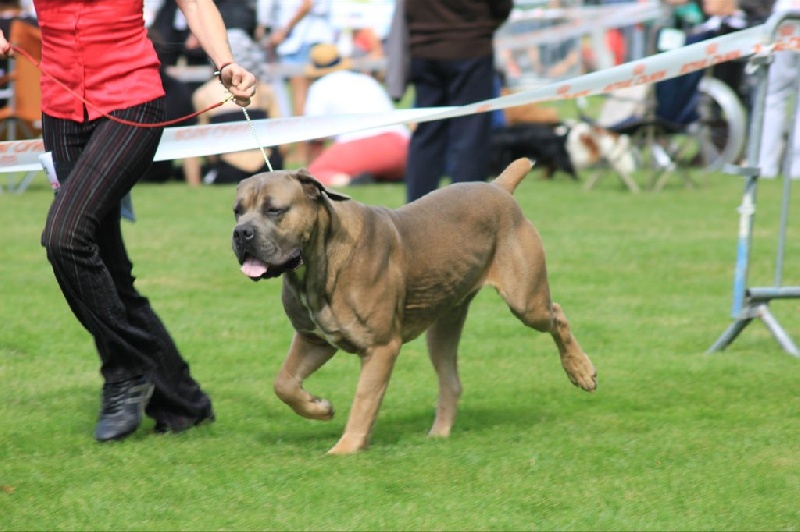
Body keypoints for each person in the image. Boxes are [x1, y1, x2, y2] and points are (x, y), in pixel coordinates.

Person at [0, 0, 258, 443]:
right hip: (61, 108)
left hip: (131, 101)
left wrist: (226, 64)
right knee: (107, 268)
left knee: (64, 237)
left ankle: (128, 369)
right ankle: (183, 403)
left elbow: (195, 4)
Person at [401, 0, 513, 203]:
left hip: (424, 48)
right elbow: (502, 6)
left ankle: (414, 214)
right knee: (471, 135)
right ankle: (467, 212)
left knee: (427, 133)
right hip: (470, 45)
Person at [303, 43, 409, 187]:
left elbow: (315, 137)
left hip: (359, 145)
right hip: (401, 143)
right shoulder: (367, 80)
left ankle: (350, 181)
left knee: (315, 172)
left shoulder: (319, 88)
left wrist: (311, 166)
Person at [758, 0, 800, 179]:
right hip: (783, 21)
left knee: (773, 98)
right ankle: (794, 169)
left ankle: (766, 166)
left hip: (784, 19)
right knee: (773, 98)